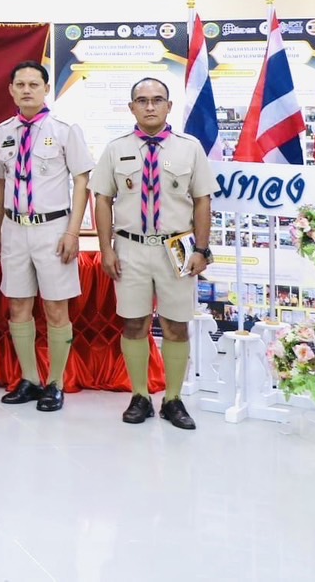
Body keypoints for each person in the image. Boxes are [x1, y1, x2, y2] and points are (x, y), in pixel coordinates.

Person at [93, 77, 213, 430]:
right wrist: (105, 248)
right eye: (142, 100)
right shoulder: (116, 148)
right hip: (130, 248)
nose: (150, 106)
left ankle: (173, 399)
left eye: (157, 100)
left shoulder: (189, 148)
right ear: (131, 107)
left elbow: (203, 200)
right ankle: (140, 395)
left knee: (176, 325)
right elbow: (102, 199)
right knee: (134, 323)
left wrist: (201, 249)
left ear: (169, 106)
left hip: (176, 248)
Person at [0, 62, 93, 413]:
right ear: (11, 90)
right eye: (20, 84)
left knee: (55, 307)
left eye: (34, 84)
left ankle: (55, 383)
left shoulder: (64, 130)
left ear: (47, 89)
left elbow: (82, 181)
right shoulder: (3, 132)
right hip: (14, 229)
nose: (27, 90)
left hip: (53, 228)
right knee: (18, 305)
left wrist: (72, 231)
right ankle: (30, 379)